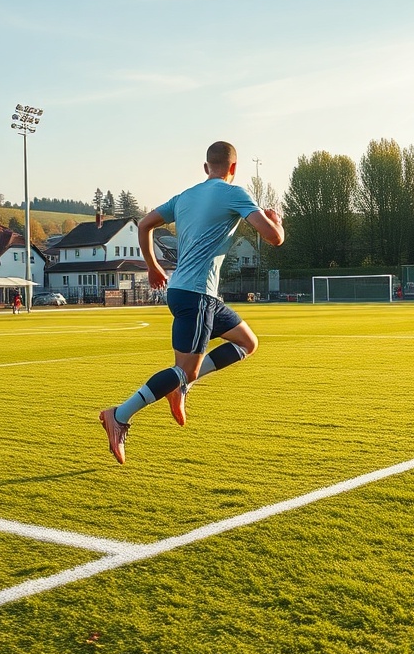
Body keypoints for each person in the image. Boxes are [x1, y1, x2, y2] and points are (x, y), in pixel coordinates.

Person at [99, 141, 285, 464]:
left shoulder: (184, 197)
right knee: (185, 370)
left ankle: (180, 387)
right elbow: (273, 237)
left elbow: (144, 225)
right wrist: (277, 221)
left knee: (246, 342)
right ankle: (119, 415)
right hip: (197, 295)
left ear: (205, 168)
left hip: (196, 295)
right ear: (233, 169)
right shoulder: (235, 193)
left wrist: (154, 266)